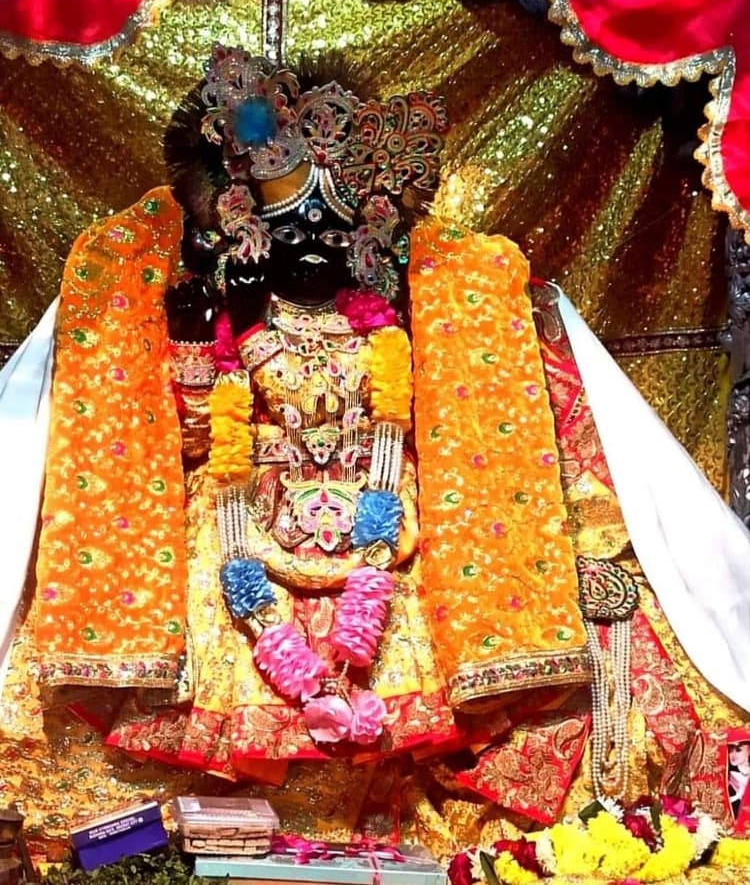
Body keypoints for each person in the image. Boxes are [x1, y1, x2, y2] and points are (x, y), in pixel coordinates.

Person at [1, 43, 749, 846]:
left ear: (368, 237)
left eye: (333, 228)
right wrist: (196, 339)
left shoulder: (399, 321)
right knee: (226, 678)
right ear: (241, 231)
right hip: (242, 527)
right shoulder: (225, 319)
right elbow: (193, 439)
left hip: (385, 532)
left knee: (401, 693)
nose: (313, 243)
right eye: (290, 228)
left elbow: (443, 423)